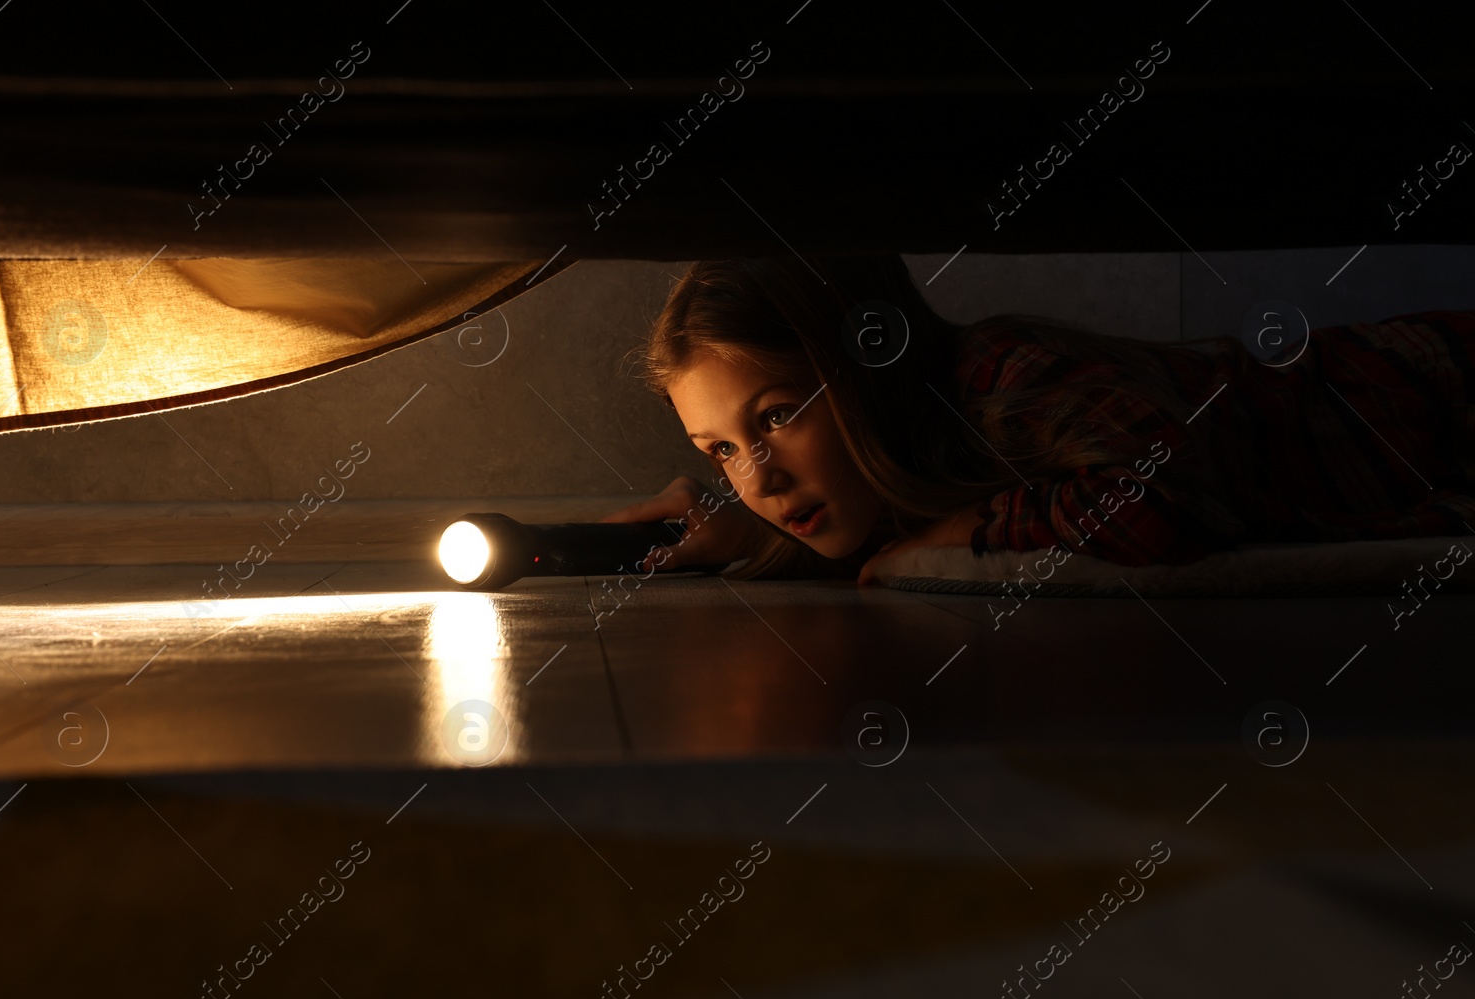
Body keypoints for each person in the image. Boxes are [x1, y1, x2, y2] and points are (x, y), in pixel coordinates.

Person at [600, 255, 1475, 585]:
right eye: (720, 450)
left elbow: (1161, 500)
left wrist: (960, 526)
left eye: (779, 416)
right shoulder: (873, 476)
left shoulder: (1004, 376)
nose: (759, 478)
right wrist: (738, 536)